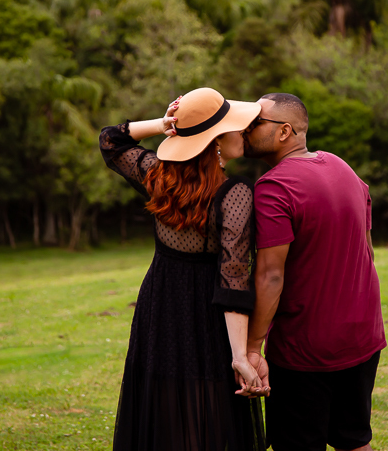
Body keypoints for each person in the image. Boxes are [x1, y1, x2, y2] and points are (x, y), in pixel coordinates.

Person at [99, 87, 268, 451]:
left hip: (160, 305)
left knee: (165, 399)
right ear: (217, 142)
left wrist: (162, 125)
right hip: (205, 312)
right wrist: (240, 354)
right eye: (235, 127)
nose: (243, 132)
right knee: (209, 409)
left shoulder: (158, 173)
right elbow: (233, 279)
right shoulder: (235, 193)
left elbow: (110, 140)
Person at [242, 93, 386, 451]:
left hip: (306, 351)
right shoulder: (343, 167)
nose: (246, 128)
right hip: (363, 338)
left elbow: (270, 276)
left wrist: (251, 346)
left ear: (284, 132)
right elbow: (367, 251)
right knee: (354, 439)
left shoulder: (274, 187)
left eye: (256, 122)